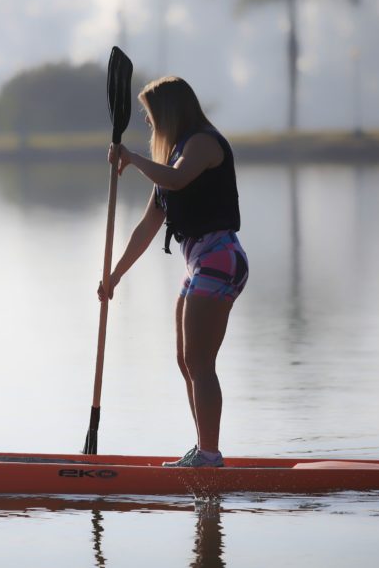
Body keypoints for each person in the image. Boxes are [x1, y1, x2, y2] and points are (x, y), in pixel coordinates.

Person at [97, 76, 248, 468]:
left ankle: (210, 457)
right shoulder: (170, 160)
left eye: (149, 115)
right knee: (186, 361)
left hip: (221, 258)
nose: (147, 123)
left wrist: (131, 159)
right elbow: (147, 228)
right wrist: (114, 276)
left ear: (167, 112)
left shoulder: (202, 143)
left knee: (201, 362)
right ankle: (204, 451)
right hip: (201, 264)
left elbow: (179, 178)